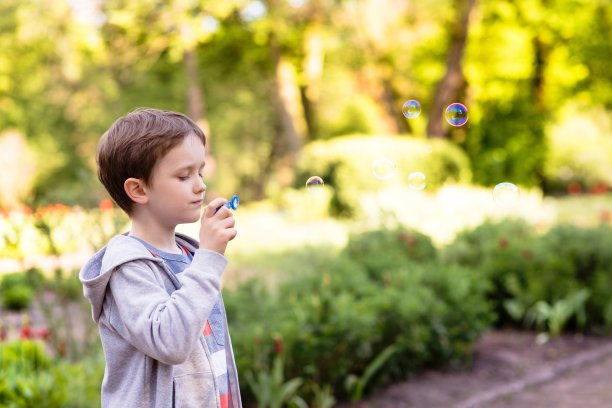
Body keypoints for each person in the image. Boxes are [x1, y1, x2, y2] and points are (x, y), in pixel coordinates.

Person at [79, 108, 241, 408]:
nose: (200, 185)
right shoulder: (128, 269)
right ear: (138, 189)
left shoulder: (190, 256)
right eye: (183, 176)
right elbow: (170, 342)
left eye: (200, 172)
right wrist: (208, 259)